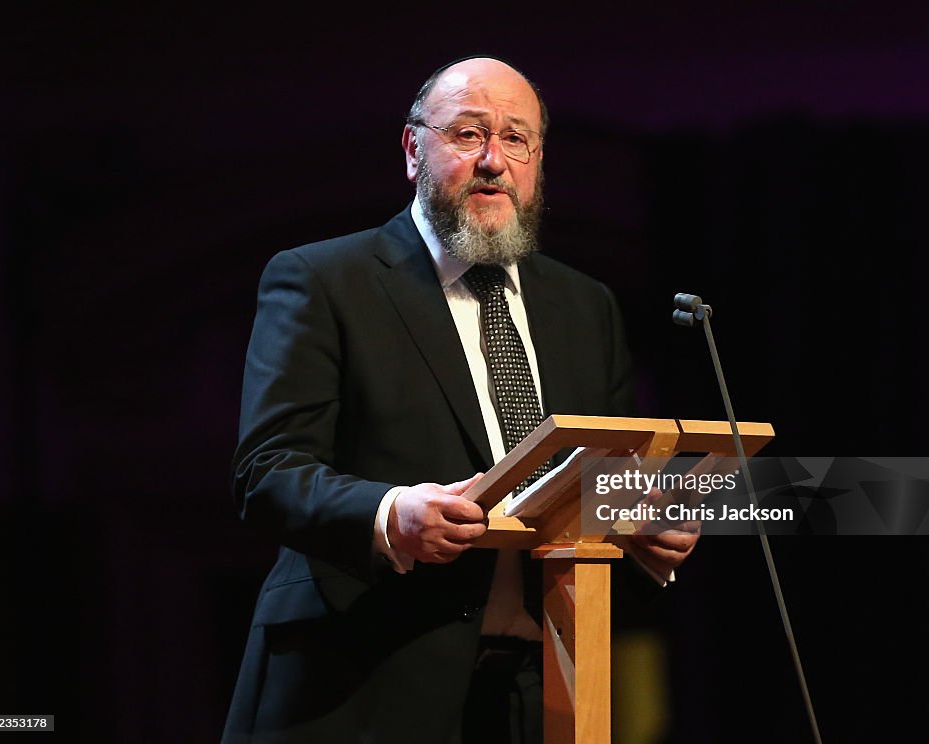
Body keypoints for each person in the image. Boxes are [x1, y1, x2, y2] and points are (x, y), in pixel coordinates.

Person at [222, 56, 698, 744]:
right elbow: (266, 474)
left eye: (515, 139)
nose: (494, 161)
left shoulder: (584, 305)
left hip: (540, 691)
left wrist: (642, 520)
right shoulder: (324, 281)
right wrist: (391, 515)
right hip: (361, 682)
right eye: (469, 134)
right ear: (414, 150)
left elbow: (602, 477)